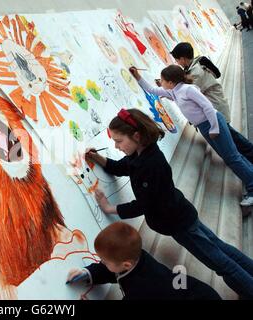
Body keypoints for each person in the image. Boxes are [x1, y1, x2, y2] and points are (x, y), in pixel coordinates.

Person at [85, 108, 253, 298]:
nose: (116, 146)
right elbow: (121, 167)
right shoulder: (139, 154)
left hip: (179, 223)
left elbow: (144, 204)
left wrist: (111, 208)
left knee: (220, 263)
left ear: (137, 136)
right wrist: (98, 158)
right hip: (182, 214)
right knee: (219, 247)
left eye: (119, 141)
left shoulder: (151, 164)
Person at [129, 65, 253, 207]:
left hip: (212, 123)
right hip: (204, 126)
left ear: (170, 82)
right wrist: (137, 76)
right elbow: (152, 90)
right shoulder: (174, 92)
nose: (160, 82)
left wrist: (214, 127)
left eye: (162, 80)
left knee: (232, 157)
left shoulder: (187, 90)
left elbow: (207, 106)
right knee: (232, 156)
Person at [67, 222, 221, 300]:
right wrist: (88, 272)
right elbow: (110, 270)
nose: (102, 263)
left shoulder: (140, 290)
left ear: (126, 264)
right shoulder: (135, 256)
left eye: (104, 261)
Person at [170, 42, 253, 165]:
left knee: (233, 139)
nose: (177, 63)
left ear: (182, 59)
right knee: (232, 137)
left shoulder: (195, 72)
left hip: (215, 108)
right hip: (216, 106)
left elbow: (185, 94)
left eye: (177, 60)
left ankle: (248, 159)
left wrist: (168, 87)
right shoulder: (196, 65)